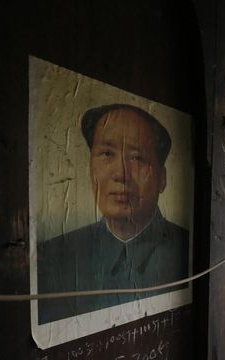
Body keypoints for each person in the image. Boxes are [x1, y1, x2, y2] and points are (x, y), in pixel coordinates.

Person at [37, 104, 189, 324]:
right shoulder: (52, 257)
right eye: (107, 154)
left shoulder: (186, 249)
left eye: (137, 158)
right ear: (91, 167)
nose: (121, 174)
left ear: (162, 178)